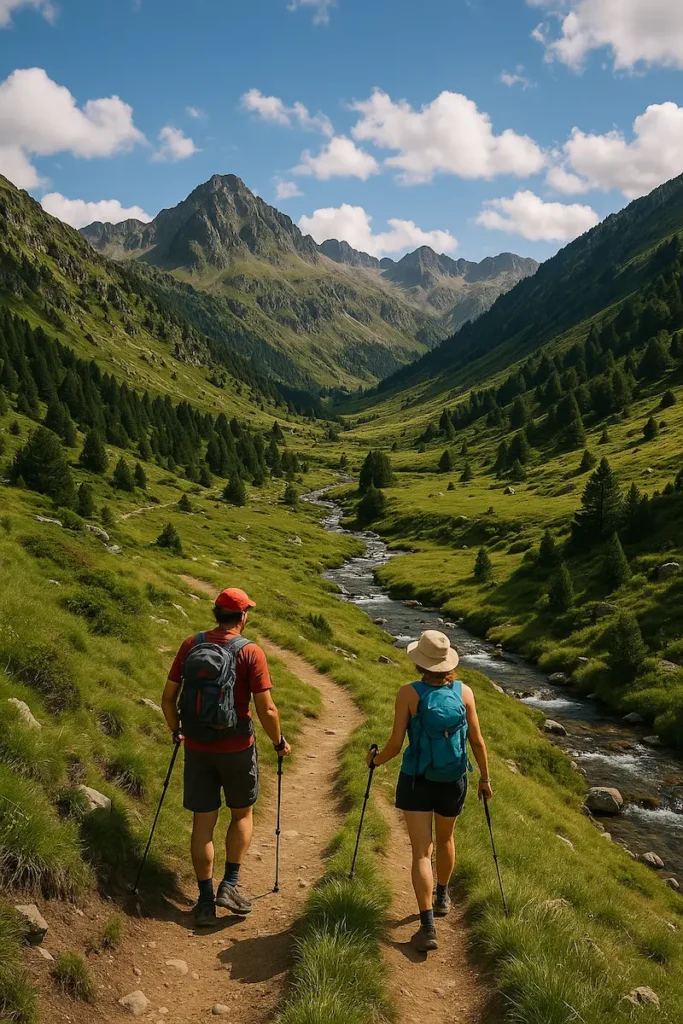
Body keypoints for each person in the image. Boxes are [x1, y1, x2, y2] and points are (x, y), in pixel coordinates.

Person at [162, 587, 291, 927]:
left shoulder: (191, 645)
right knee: (241, 814)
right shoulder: (251, 652)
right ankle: (229, 885)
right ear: (243, 616)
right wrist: (279, 743)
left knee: (202, 823)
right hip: (237, 749)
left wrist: (177, 730)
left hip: (197, 748)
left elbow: (167, 698)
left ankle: (204, 901)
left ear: (215, 614)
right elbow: (267, 708)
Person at [368, 630, 492, 952]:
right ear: (448, 662)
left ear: (420, 662)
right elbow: (477, 741)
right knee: (447, 839)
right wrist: (485, 780)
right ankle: (442, 895)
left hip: (416, 780)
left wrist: (374, 761)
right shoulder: (465, 692)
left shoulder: (408, 693)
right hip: (453, 780)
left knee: (422, 851)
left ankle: (427, 927)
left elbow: (396, 745)